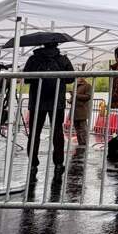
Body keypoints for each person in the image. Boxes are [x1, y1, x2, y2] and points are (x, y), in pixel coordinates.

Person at [23, 43, 74, 176]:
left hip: (37, 100)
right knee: (57, 132)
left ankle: (33, 164)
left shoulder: (33, 59)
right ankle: (58, 164)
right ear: (56, 45)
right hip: (57, 100)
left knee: (34, 133)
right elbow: (71, 78)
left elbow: (26, 78)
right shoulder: (62, 59)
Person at [72, 76, 92, 148]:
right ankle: (80, 143)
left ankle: (84, 144)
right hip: (74, 110)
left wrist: (76, 95)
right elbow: (74, 97)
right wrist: (70, 100)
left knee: (83, 129)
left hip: (82, 110)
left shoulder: (87, 86)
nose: (78, 78)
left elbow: (88, 96)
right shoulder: (75, 85)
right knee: (77, 129)